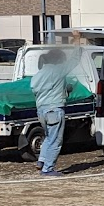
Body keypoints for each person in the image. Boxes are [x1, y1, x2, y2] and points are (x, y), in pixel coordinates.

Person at [30, 48, 73, 176]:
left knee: (48, 137)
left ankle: (41, 160)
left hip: (41, 111)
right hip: (54, 109)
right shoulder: (58, 70)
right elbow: (75, 60)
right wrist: (77, 40)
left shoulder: (38, 74)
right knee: (56, 141)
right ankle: (48, 169)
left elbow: (36, 90)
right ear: (59, 60)